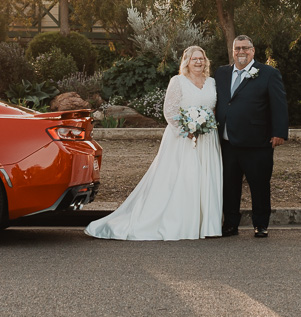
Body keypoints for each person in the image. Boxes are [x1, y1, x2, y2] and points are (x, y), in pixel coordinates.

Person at [85, 46, 223, 241]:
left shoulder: (212, 82)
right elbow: (170, 111)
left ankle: (206, 224)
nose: (199, 62)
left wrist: (205, 125)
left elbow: (215, 109)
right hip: (182, 139)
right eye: (194, 59)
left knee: (206, 177)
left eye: (201, 58)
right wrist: (188, 130)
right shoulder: (178, 81)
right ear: (187, 62)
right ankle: (183, 222)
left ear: (206, 61)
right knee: (185, 179)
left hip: (208, 139)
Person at [215, 34, 289, 238]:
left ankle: (261, 224)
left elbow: (279, 105)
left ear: (253, 51)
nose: (241, 52)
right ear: (232, 51)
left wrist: (279, 132)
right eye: (237, 48)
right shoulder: (221, 73)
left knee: (259, 185)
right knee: (229, 186)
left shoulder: (268, 73)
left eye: (245, 48)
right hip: (227, 142)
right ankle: (230, 224)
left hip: (257, 141)